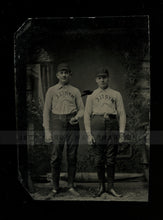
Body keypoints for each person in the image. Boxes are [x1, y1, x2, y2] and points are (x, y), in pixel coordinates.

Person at [43, 63, 84, 196]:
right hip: (57, 123)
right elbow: (46, 111)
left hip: (72, 123)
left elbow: (82, 109)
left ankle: (71, 186)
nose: (64, 74)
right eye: (61, 72)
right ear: (57, 75)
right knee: (56, 156)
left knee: (72, 156)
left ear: (70, 75)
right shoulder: (51, 90)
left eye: (66, 72)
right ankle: (55, 187)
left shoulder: (75, 91)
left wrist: (77, 117)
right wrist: (47, 131)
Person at [84, 68, 126, 197]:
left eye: (104, 77)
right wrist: (89, 134)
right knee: (98, 158)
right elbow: (86, 114)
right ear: (96, 80)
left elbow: (122, 113)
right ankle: (101, 187)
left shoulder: (116, 94)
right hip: (97, 124)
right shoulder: (91, 95)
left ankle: (111, 187)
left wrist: (122, 132)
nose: (102, 80)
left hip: (112, 124)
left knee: (111, 158)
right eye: (99, 78)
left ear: (108, 78)